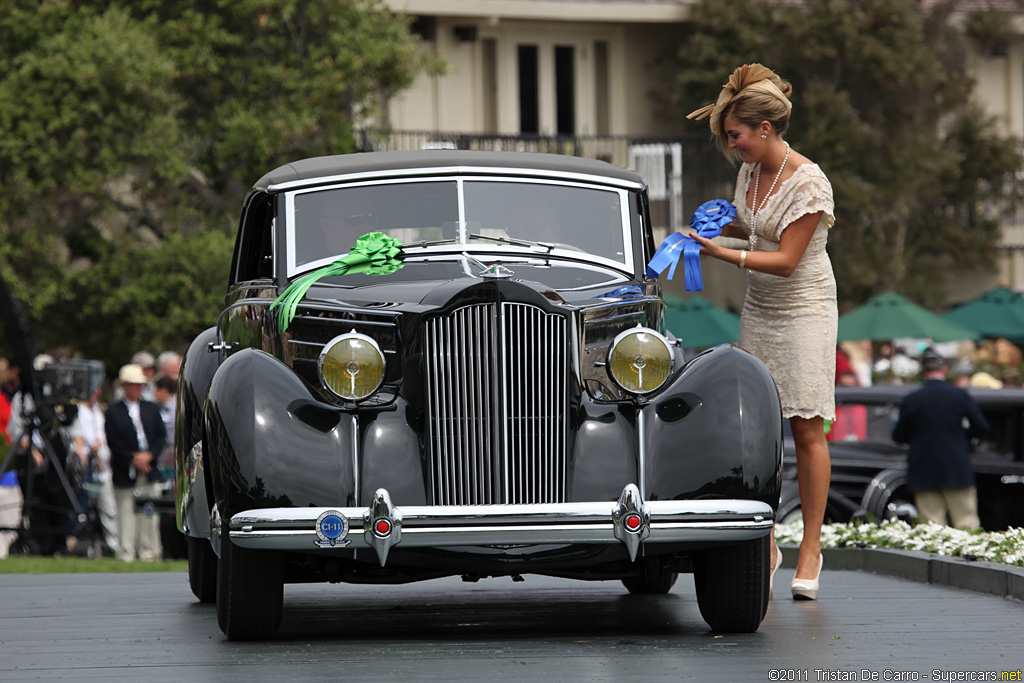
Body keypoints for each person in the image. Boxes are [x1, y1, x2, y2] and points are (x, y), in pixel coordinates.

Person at [687, 63, 835, 599]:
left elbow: (788, 259)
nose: (733, 145)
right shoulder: (749, 171)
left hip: (804, 307)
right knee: (760, 426)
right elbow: (753, 226)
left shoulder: (809, 182)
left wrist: (722, 253)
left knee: (804, 425)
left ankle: (812, 548)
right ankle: (765, 538)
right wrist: (712, 225)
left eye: (736, 135)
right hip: (761, 307)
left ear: (765, 129)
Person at [892, 349, 989, 529]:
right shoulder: (960, 395)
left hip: (924, 467)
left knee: (932, 525)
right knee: (966, 522)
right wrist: (963, 441)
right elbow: (982, 427)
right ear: (944, 369)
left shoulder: (913, 399)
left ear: (923, 371)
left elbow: (899, 435)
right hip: (956, 464)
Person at [106, 364, 166, 561]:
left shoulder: (151, 408)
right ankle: (126, 552)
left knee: (149, 513)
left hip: (149, 467)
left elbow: (160, 436)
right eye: (133, 384)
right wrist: (133, 459)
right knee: (126, 512)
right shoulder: (113, 412)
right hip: (126, 470)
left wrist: (149, 456)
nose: (137, 388)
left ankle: (149, 552)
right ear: (124, 386)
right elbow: (113, 441)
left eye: (140, 385)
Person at [72, 382, 117, 554]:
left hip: (101, 466)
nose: (96, 393)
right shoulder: (79, 410)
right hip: (85, 464)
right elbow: (79, 438)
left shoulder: (97, 410)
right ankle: (80, 542)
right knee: (83, 505)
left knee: (108, 508)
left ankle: (112, 544)